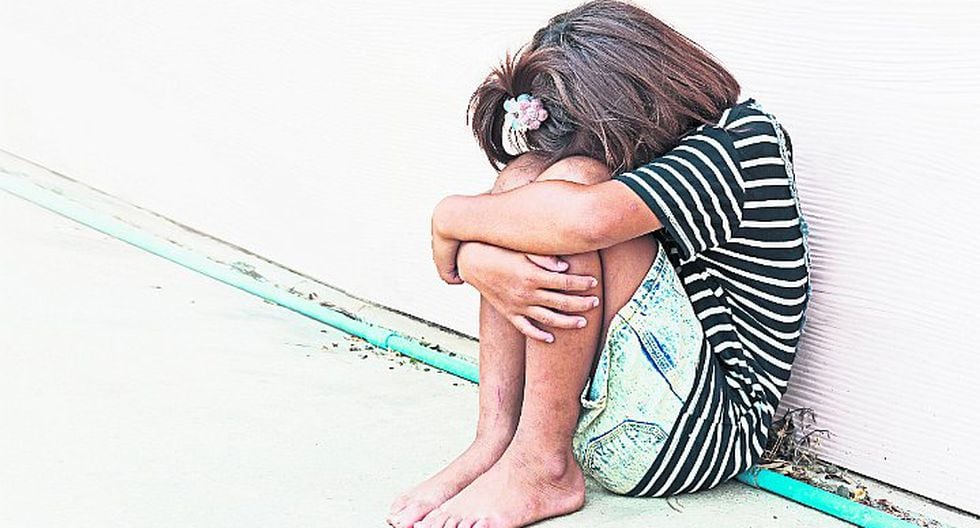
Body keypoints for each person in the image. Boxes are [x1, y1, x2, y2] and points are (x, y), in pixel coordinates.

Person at [388, 1, 811, 527]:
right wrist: (481, 259)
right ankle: (496, 438)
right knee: (525, 178)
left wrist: (450, 217)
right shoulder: (667, 150)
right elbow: (533, 217)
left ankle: (542, 465)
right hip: (619, 402)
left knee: (570, 190)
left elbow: (582, 220)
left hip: (701, 431)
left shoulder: (742, 141)